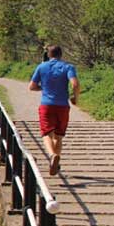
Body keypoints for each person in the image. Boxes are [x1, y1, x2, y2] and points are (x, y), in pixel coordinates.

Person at [28, 45, 80, 176]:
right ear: (61, 54)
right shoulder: (68, 67)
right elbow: (75, 83)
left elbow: (32, 87)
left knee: (46, 134)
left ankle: (52, 156)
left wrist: (43, 88)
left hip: (46, 105)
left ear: (49, 55)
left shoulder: (41, 67)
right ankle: (56, 162)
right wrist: (75, 97)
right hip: (63, 106)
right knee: (58, 136)